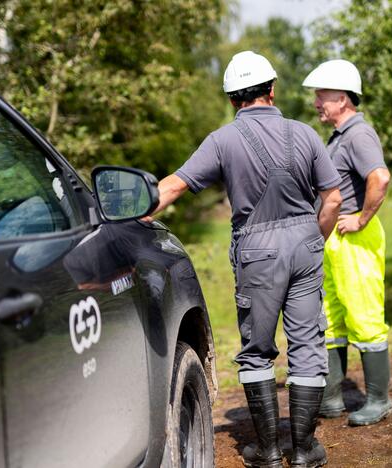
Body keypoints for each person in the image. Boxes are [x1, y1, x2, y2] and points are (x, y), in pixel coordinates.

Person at [149, 51, 342, 468]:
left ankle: (270, 451)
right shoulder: (305, 134)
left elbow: (175, 187)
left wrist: (135, 211)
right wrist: (314, 240)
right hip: (306, 242)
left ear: (233, 99)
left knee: (257, 350)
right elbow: (333, 199)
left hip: (257, 251)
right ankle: (304, 450)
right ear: (272, 90)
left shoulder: (222, 140)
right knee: (307, 342)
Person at [302, 59, 392, 427]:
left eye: (321, 95)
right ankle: (333, 398)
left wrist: (362, 218)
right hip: (338, 240)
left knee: (364, 317)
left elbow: (380, 178)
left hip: (356, 237)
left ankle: (378, 400)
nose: (317, 103)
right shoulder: (340, 135)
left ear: (342, 98)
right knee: (335, 318)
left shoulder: (358, 134)